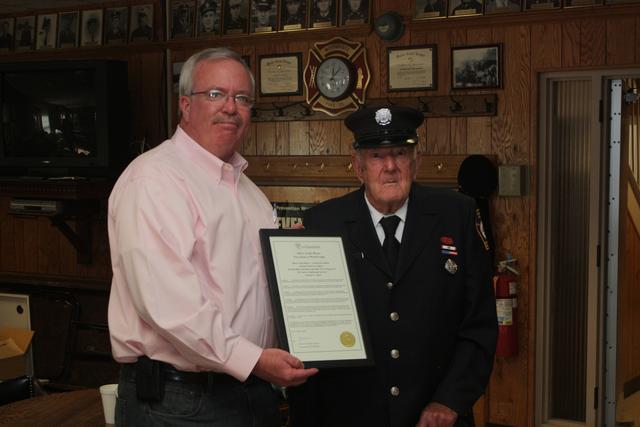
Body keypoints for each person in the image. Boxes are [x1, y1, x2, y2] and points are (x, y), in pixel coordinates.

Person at [107, 47, 318, 426]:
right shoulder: (154, 180)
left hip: (250, 391)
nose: (231, 107)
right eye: (216, 94)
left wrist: (300, 264)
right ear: (186, 105)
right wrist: (253, 359)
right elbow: (170, 306)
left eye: (242, 98)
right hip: (179, 403)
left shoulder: (250, 193)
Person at [288, 106, 498, 427]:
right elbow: (308, 332)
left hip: (433, 416)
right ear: (358, 167)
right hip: (350, 416)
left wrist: (450, 400)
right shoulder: (322, 223)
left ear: (416, 162)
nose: (390, 167)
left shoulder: (456, 214)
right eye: (376, 156)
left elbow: (479, 325)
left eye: (400, 153)